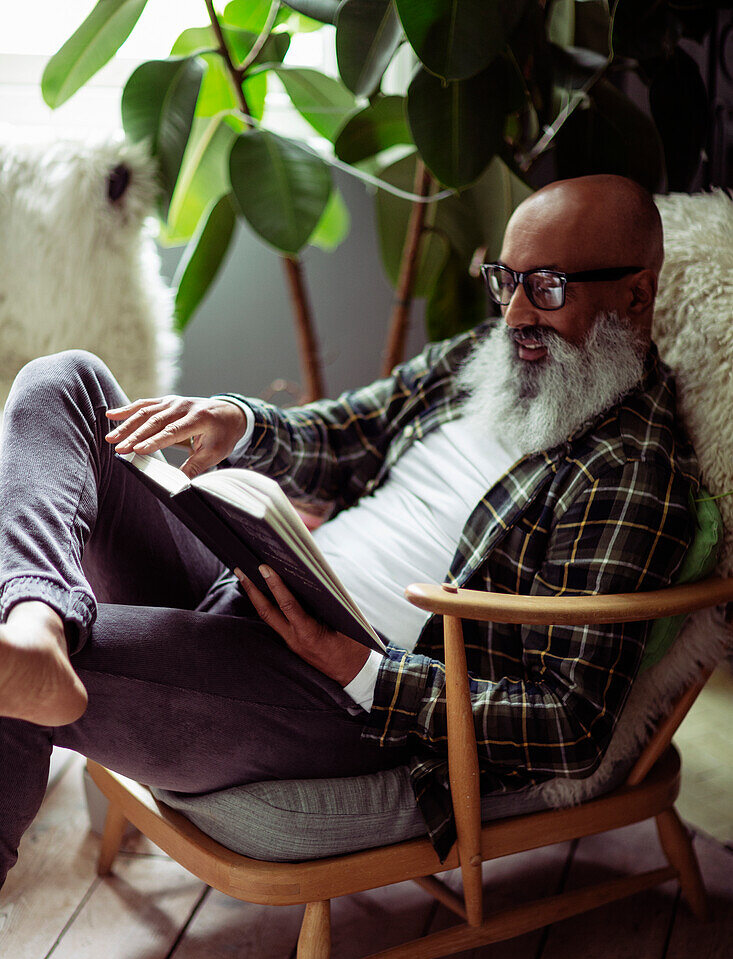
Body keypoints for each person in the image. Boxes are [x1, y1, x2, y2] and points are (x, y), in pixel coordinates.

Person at [0, 174, 699, 887]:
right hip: (262, 579)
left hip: (341, 698)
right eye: (505, 280)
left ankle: (30, 646)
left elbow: (570, 725)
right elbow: (348, 431)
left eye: (547, 287)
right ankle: (33, 618)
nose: (515, 312)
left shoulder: (632, 472)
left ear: (634, 295)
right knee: (67, 381)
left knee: (3, 681)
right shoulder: (486, 356)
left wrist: (355, 668)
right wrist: (238, 421)